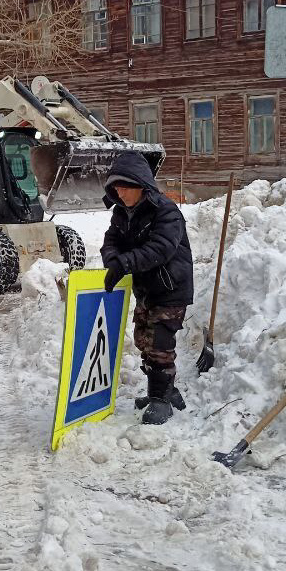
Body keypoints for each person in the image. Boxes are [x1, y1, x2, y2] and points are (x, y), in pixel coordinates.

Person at [100, 151, 194, 425]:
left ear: (140, 184)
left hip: (170, 287)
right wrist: (113, 262)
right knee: (144, 340)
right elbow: (111, 242)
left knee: (160, 344)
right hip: (147, 289)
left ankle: (160, 399)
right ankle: (166, 389)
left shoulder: (166, 211)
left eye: (125, 186)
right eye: (116, 187)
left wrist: (124, 263)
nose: (120, 192)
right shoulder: (122, 213)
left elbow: (161, 249)